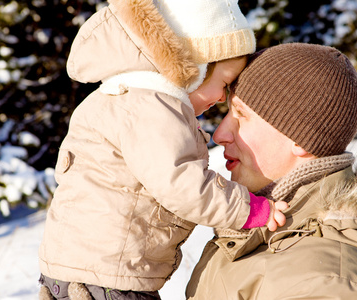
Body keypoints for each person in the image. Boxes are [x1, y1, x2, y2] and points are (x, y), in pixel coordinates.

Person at [38, 0, 288, 299]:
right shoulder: (150, 107)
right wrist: (250, 209)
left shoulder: (123, 96)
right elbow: (182, 184)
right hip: (108, 281)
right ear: (194, 67)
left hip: (83, 273)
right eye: (224, 83)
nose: (222, 97)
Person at [186, 43, 357, 299]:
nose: (219, 135)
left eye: (241, 115)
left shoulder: (327, 282)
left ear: (300, 140)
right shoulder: (273, 232)